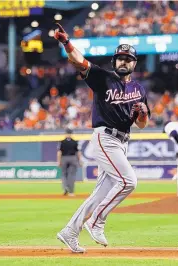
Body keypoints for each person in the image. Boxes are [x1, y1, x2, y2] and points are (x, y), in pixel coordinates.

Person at [54, 23, 150, 253]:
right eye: (120, 58)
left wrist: (143, 114)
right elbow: (79, 61)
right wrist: (67, 43)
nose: (124, 61)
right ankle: (96, 221)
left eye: (128, 58)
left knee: (100, 194)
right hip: (105, 137)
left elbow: (141, 125)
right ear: (114, 61)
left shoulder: (139, 89)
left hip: (122, 140)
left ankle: (70, 231)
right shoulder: (102, 77)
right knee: (128, 182)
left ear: (134, 63)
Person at [57, 128, 82, 197]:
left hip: (64, 158)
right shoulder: (75, 142)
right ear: (71, 134)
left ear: (65, 133)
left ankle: (65, 188)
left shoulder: (62, 142)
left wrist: (59, 161)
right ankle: (71, 192)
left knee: (63, 174)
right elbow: (78, 152)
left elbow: (59, 152)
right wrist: (80, 161)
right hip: (73, 158)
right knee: (72, 175)